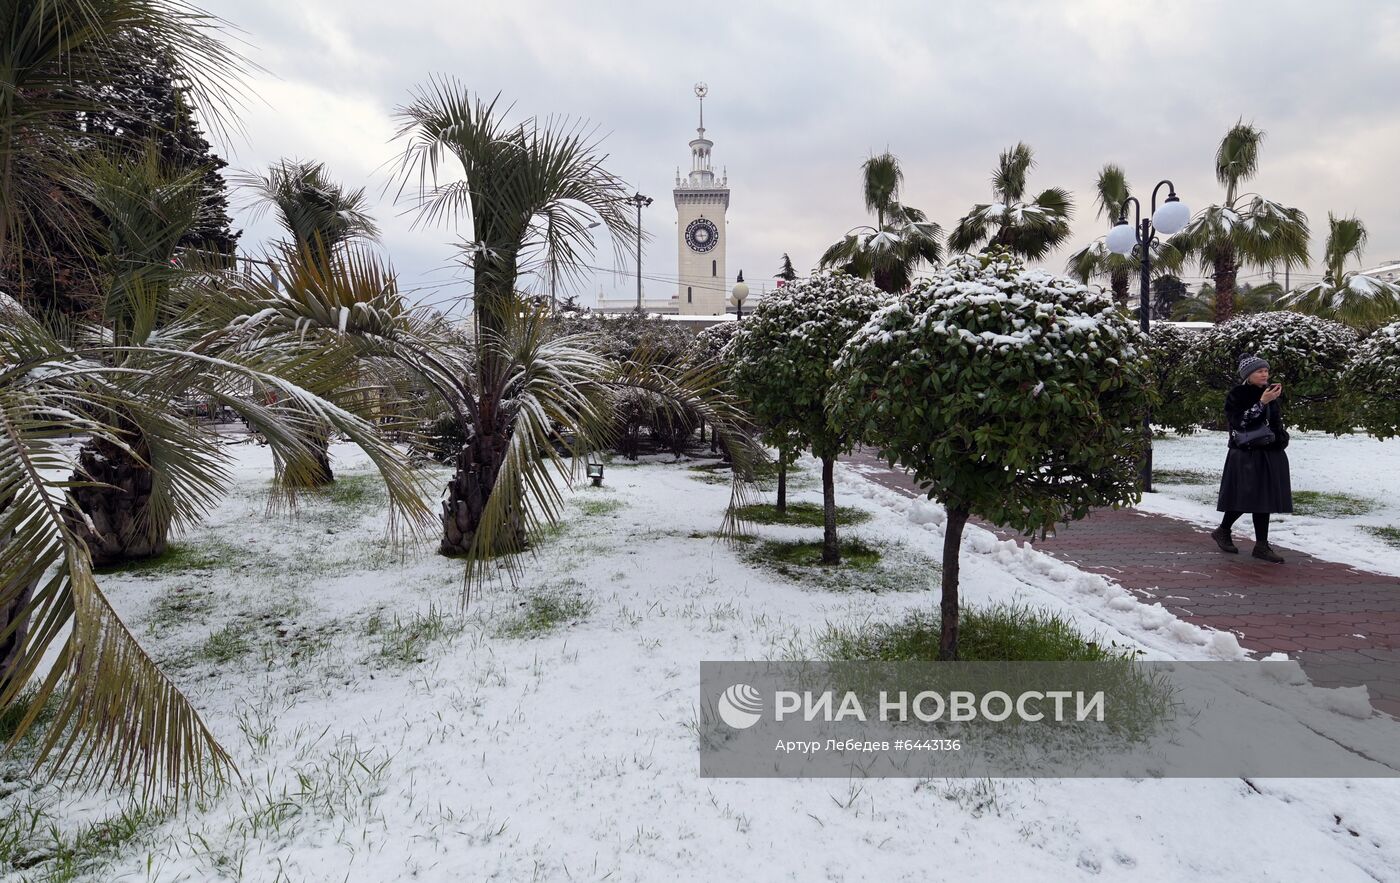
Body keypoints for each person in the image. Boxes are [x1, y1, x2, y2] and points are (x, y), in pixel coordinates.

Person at [1210, 354, 1293, 563]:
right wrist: (1262, 403)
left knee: (1263, 498)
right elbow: (1240, 422)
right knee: (1248, 495)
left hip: (1270, 451)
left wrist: (1281, 437)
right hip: (1247, 453)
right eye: (1259, 371)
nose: (1264, 374)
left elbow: (1275, 422)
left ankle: (1261, 545)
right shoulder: (1238, 394)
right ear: (1248, 375)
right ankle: (1225, 530)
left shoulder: (1268, 393)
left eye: (1266, 370)